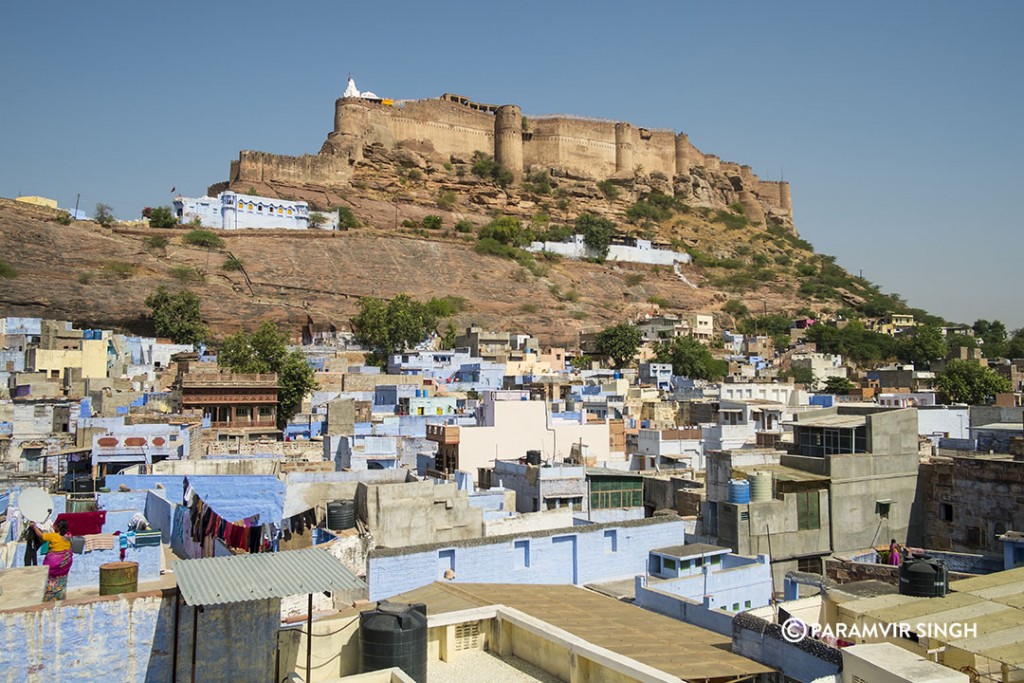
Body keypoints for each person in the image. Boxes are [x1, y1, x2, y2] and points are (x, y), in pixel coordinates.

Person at [31, 519, 73, 601]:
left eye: (55, 525)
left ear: (58, 527)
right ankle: (60, 597)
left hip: (54, 563)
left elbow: (41, 536)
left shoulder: (53, 536)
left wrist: (34, 527)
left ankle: (49, 599)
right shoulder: (68, 537)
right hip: (65, 563)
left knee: (50, 581)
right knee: (61, 581)